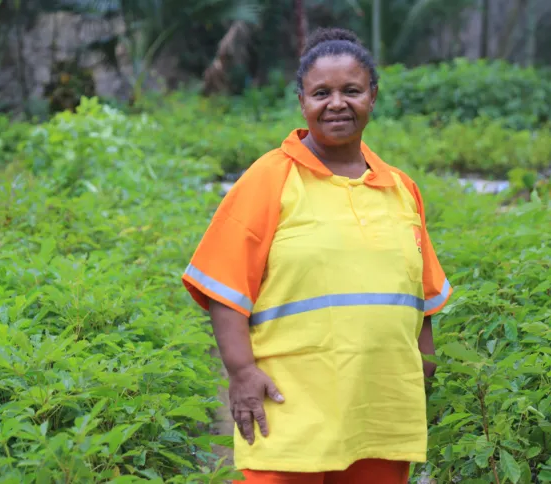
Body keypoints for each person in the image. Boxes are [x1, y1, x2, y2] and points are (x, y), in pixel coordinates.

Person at [182, 27, 452, 484]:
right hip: (287, 402)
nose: (337, 103)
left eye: (351, 90)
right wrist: (241, 373)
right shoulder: (269, 179)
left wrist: (423, 369)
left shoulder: (400, 188)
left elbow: (420, 298)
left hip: (380, 403)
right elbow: (225, 288)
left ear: (373, 96)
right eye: (321, 92)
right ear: (302, 102)